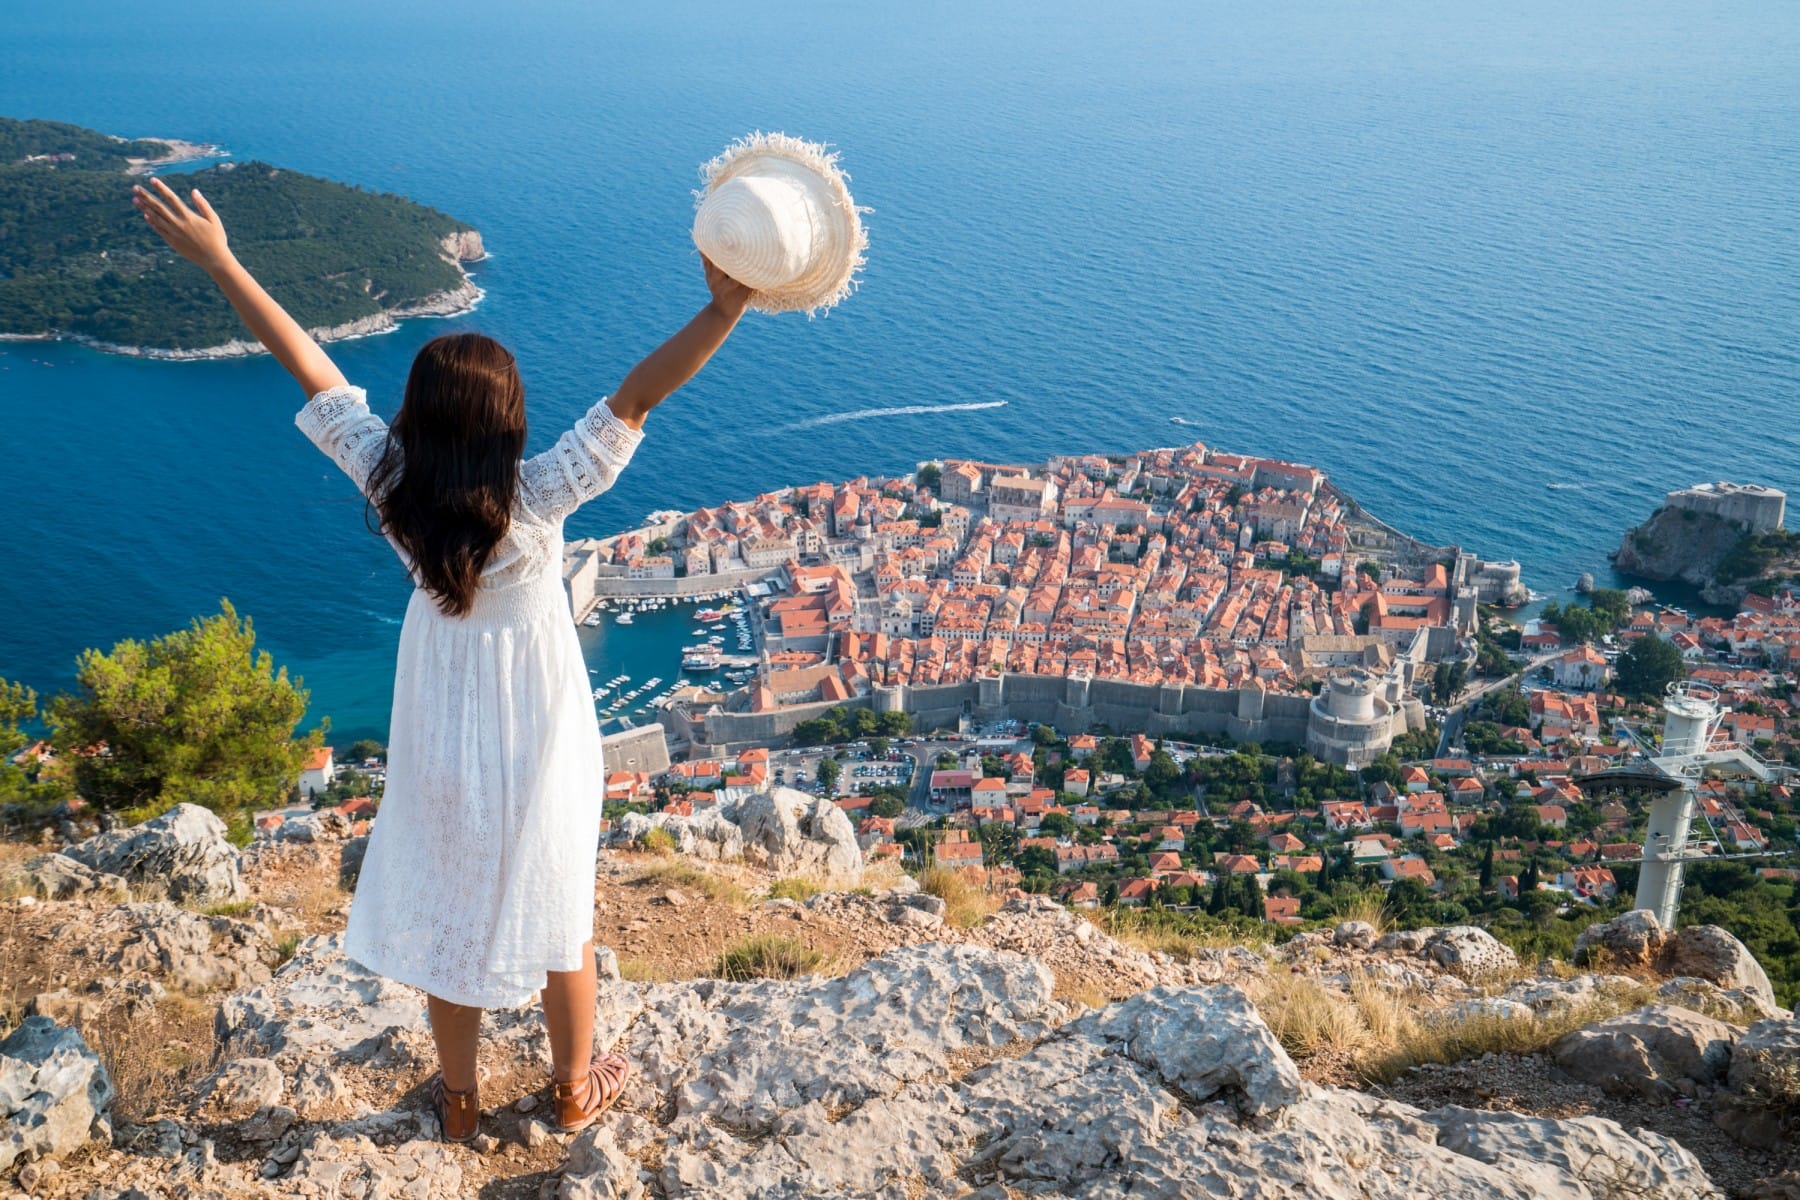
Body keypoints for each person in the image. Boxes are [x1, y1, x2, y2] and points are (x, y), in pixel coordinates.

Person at [132, 176, 752, 1141]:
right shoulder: (542, 498)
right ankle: (574, 1089)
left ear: (416, 422)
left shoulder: (390, 489)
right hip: (543, 740)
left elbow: (314, 371)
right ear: (509, 426)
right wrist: (723, 306)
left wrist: (223, 262)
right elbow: (639, 392)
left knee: (455, 925)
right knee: (561, 914)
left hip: (442, 738)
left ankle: (458, 1105)